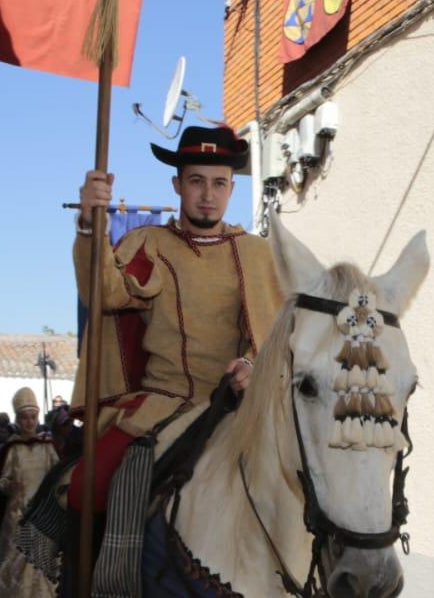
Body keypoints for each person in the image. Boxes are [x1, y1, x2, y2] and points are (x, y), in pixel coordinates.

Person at [69, 124, 284, 517]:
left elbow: (275, 334)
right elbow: (103, 293)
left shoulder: (256, 253)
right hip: (159, 404)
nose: (208, 195)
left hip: (236, 408)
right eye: (196, 181)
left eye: (220, 183)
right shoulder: (147, 243)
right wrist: (89, 224)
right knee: (86, 487)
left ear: (232, 189)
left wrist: (253, 365)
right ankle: (87, 579)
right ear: (177, 185)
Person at [0, 388, 61, 598]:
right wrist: (10, 485)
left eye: (33, 417)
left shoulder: (48, 446)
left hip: (43, 511)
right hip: (18, 512)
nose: (29, 423)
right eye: (24, 418)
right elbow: (0, 481)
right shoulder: (11, 449)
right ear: (17, 419)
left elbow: (59, 474)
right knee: (17, 561)